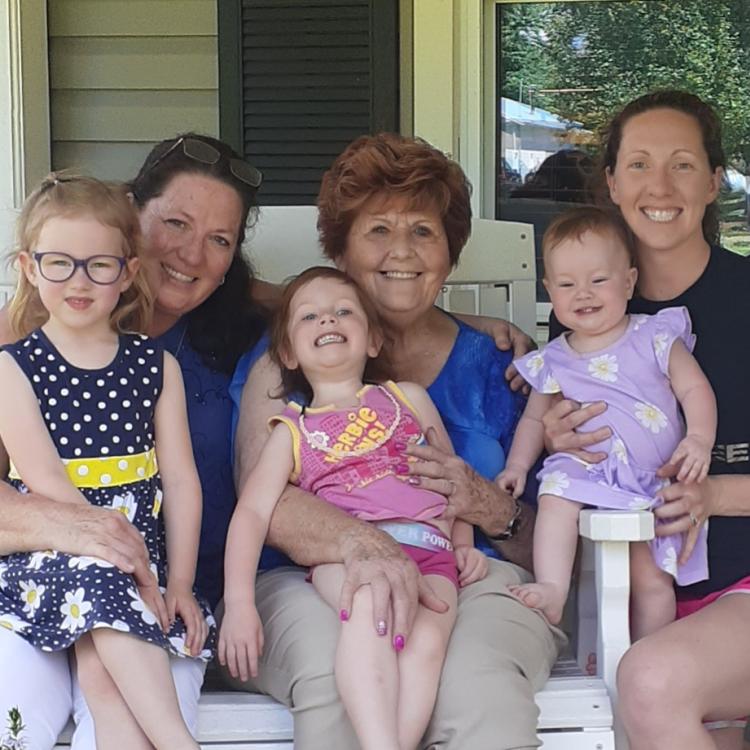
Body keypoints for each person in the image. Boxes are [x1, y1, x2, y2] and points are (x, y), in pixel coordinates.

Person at [230, 133, 564, 750]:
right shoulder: (286, 365)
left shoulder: (506, 366)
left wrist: (486, 506)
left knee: (478, 689)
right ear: (342, 251)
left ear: (448, 253)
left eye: (423, 231)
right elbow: (266, 505)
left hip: (469, 571)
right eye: (378, 230)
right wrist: (371, 548)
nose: (402, 251)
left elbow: (552, 531)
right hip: (314, 576)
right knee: (336, 677)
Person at [0, 134, 267, 749]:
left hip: (138, 563)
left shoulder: (152, 366)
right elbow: (49, 485)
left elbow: (180, 481)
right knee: (96, 617)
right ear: (28, 266)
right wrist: (126, 567)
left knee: (101, 666)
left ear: (126, 271)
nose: (79, 279)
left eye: (100, 264)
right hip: (60, 551)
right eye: (58, 262)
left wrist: (173, 582)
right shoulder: (15, 365)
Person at [543, 90, 750, 750]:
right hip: (637, 587)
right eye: (638, 164)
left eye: (683, 164)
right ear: (611, 181)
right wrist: (556, 438)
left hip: (740, 584)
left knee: (652, 684)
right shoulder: (580, 313)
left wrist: (714, 494)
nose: (659, 185)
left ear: (715, 181)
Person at [221, 266, 488, 750]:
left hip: (431, 550)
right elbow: (254, 513)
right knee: (371, 612)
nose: (328, 320)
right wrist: (239, 602)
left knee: (426, 643)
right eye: (309, 316)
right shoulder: (292, 429)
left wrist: (464, 542)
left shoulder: (407, 398)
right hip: (346, 560)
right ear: (287, 352)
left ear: (372, 340)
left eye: (344, 311)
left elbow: (452, 476)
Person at [497, 205, 715, 637]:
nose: (583, 294)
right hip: (591, 467)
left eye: (598, 280)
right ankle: (553, 588)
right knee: (556, 494)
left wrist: (699, 440)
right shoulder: (555, 357)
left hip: (656, 478)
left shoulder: (654, 335)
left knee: (650, 580)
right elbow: (534, 420)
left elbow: (695, 390)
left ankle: (650, 652)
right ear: (549, 291)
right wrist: (518, 467)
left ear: (629, 281)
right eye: (566, 284)